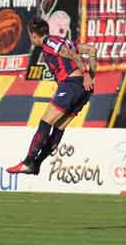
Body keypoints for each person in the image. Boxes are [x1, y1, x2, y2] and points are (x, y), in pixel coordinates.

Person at [7, 17, 97, 175]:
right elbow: (91, 50)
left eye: (30, 35)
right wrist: (91, 76)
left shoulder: (50, 43)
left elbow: (73, 56)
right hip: (83, 89)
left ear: (34, 35)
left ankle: (28, 162)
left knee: (45, 123)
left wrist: (86, 75)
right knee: (59, 127)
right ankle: (37, 164)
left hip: (72, 84)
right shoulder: (63, 40)